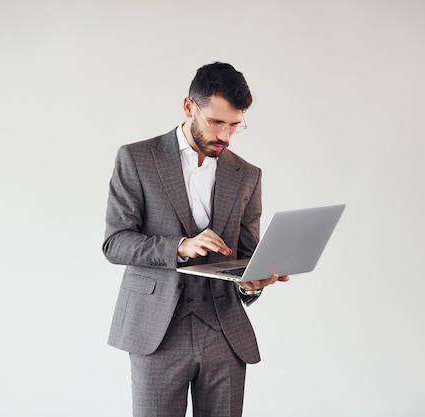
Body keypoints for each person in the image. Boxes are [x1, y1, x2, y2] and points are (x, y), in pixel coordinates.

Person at [102, 62, 289, 417]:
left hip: (224, 331)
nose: (225, 136)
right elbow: (116, 242)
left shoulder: (247, 174)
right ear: (189, 107)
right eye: (216, 122)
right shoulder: (138, 159)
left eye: (235, 125)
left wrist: (254, 283)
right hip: (157, 333)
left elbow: (247, 257)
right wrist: (178, 246)